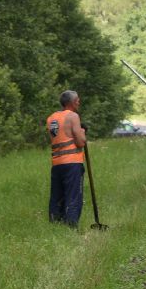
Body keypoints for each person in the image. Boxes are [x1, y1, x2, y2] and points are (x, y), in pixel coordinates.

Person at [46, 90, 88, 227]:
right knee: (73, 195)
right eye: (77, 100)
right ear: (71, 102)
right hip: (72, 162)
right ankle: (71, 226)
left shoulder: (52, 118)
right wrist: (82, 132)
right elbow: (80, 142)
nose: (79, 102)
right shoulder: (73, 116)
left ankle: (55, 223)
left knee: (57, 195)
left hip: (57, 163)